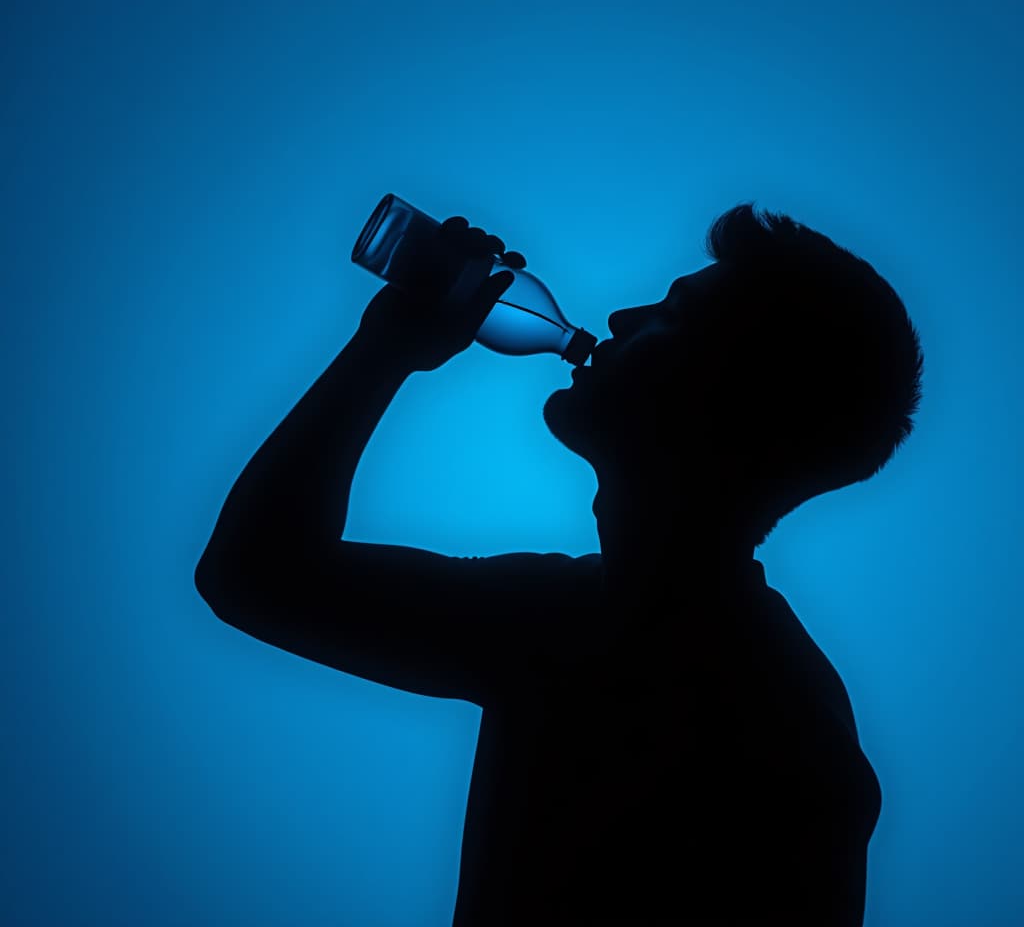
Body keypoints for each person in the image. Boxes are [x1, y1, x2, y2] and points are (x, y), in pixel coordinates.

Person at [195, 203, 924, 926]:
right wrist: (387, 344)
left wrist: (384, 355)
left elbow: (253, 573)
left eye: (673, 312)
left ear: (735, 393)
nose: (620, 319)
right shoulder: (568, 614)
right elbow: (253, 573)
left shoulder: (783, 741)